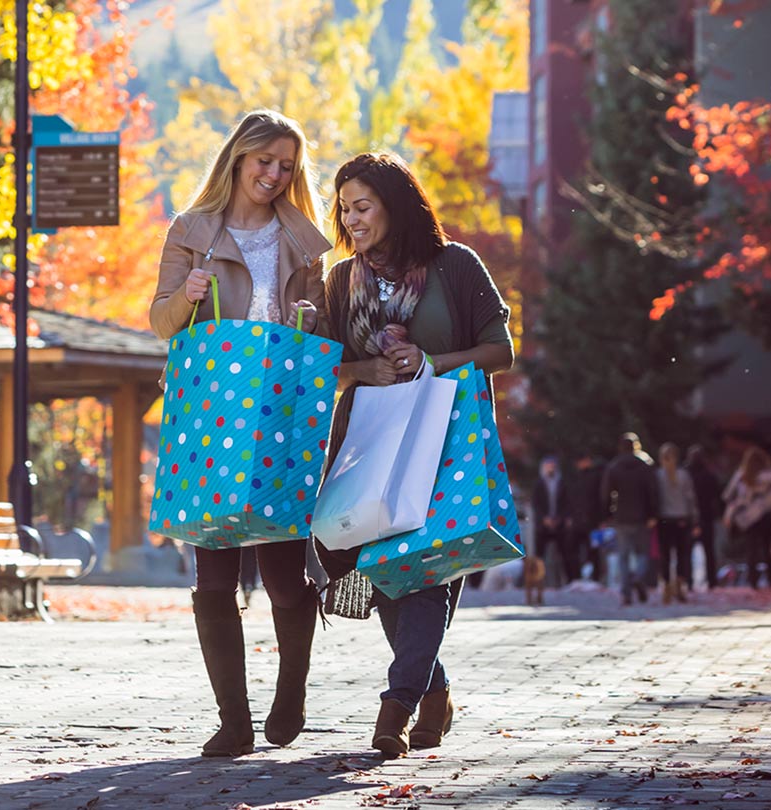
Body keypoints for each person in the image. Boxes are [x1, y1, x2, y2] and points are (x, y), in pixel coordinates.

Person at [313, 152, 514, 758]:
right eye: (344, 208)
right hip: (369, 446)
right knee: (384, 571)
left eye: (363, 206)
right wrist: (366, 368)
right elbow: (329, 368)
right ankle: (436, 692)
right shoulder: (341, 279)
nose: (351, 220)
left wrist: (433, 363)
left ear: (396, 206)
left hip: (447, 441)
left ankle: (396, 703)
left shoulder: (455, 265)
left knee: (423, 569)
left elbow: (500, 350)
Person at [149, 110, 332, 757]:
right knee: (216, 575)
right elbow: (161, 320)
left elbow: (326, 335)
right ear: (238, 159)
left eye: (287, 166)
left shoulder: (302, 241)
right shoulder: (194, 232)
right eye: (266, 162)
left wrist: (312, 319)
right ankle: (234, 720)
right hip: (211, 419)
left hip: (279, 419)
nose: (276, 176)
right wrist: (189, 293)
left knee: (285, 573)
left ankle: (292, 697)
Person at [602, 432, 659, 606]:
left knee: (623, 556)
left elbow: (605, 493)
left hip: (621, 517)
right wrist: (653, 514)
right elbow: (653, 492)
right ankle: (638, 577)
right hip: (642, 517)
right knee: (643, 553)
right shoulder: (645, 466)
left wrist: (607, 514)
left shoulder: (614, 467)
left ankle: (626, 592)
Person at [723, 446, 771, 589]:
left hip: (749, 517)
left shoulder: (742, 476)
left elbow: (731, 498)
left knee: (752, 549)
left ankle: (753, 582)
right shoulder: (769, 476)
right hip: (768, 516)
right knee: (768, 547)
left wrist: (728, 516)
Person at [653, 443, 699, 604]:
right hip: (682, 518)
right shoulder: (683, 475)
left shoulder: (657, 475)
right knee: (682, 555)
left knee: (665, 555)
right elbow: (690, 498)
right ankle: (679, 585)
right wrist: (694, 519)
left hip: (664, 519)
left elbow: (654, 499)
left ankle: (666, 586)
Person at [685, 445, 724, 590]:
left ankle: (689, 581)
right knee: (709, 551)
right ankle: (712, 581)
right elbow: (717, 496)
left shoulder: (686, 474)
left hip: (690, 517)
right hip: (706, 516)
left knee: (687, 552)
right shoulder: (709, 474)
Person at [529, 456, 572, 586]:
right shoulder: (539, 484)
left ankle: (569, 581)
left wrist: (560, 518)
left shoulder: (562, 483)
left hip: (559, 524)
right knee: (539, 556)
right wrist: (544, 519)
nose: (551, 468)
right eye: (548, 466)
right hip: (543, 525)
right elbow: (535, 504)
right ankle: (537, 582)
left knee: (565, 554)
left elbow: (567, 503)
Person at [565, 454, 607, 582]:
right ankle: (576, 577)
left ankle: (594, 578)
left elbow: (600, 499)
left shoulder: (595, 477)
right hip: (581, 520)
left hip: (590, 520)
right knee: (575, 551)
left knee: (592, 552)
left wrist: (601, 519)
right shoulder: (576, 478)